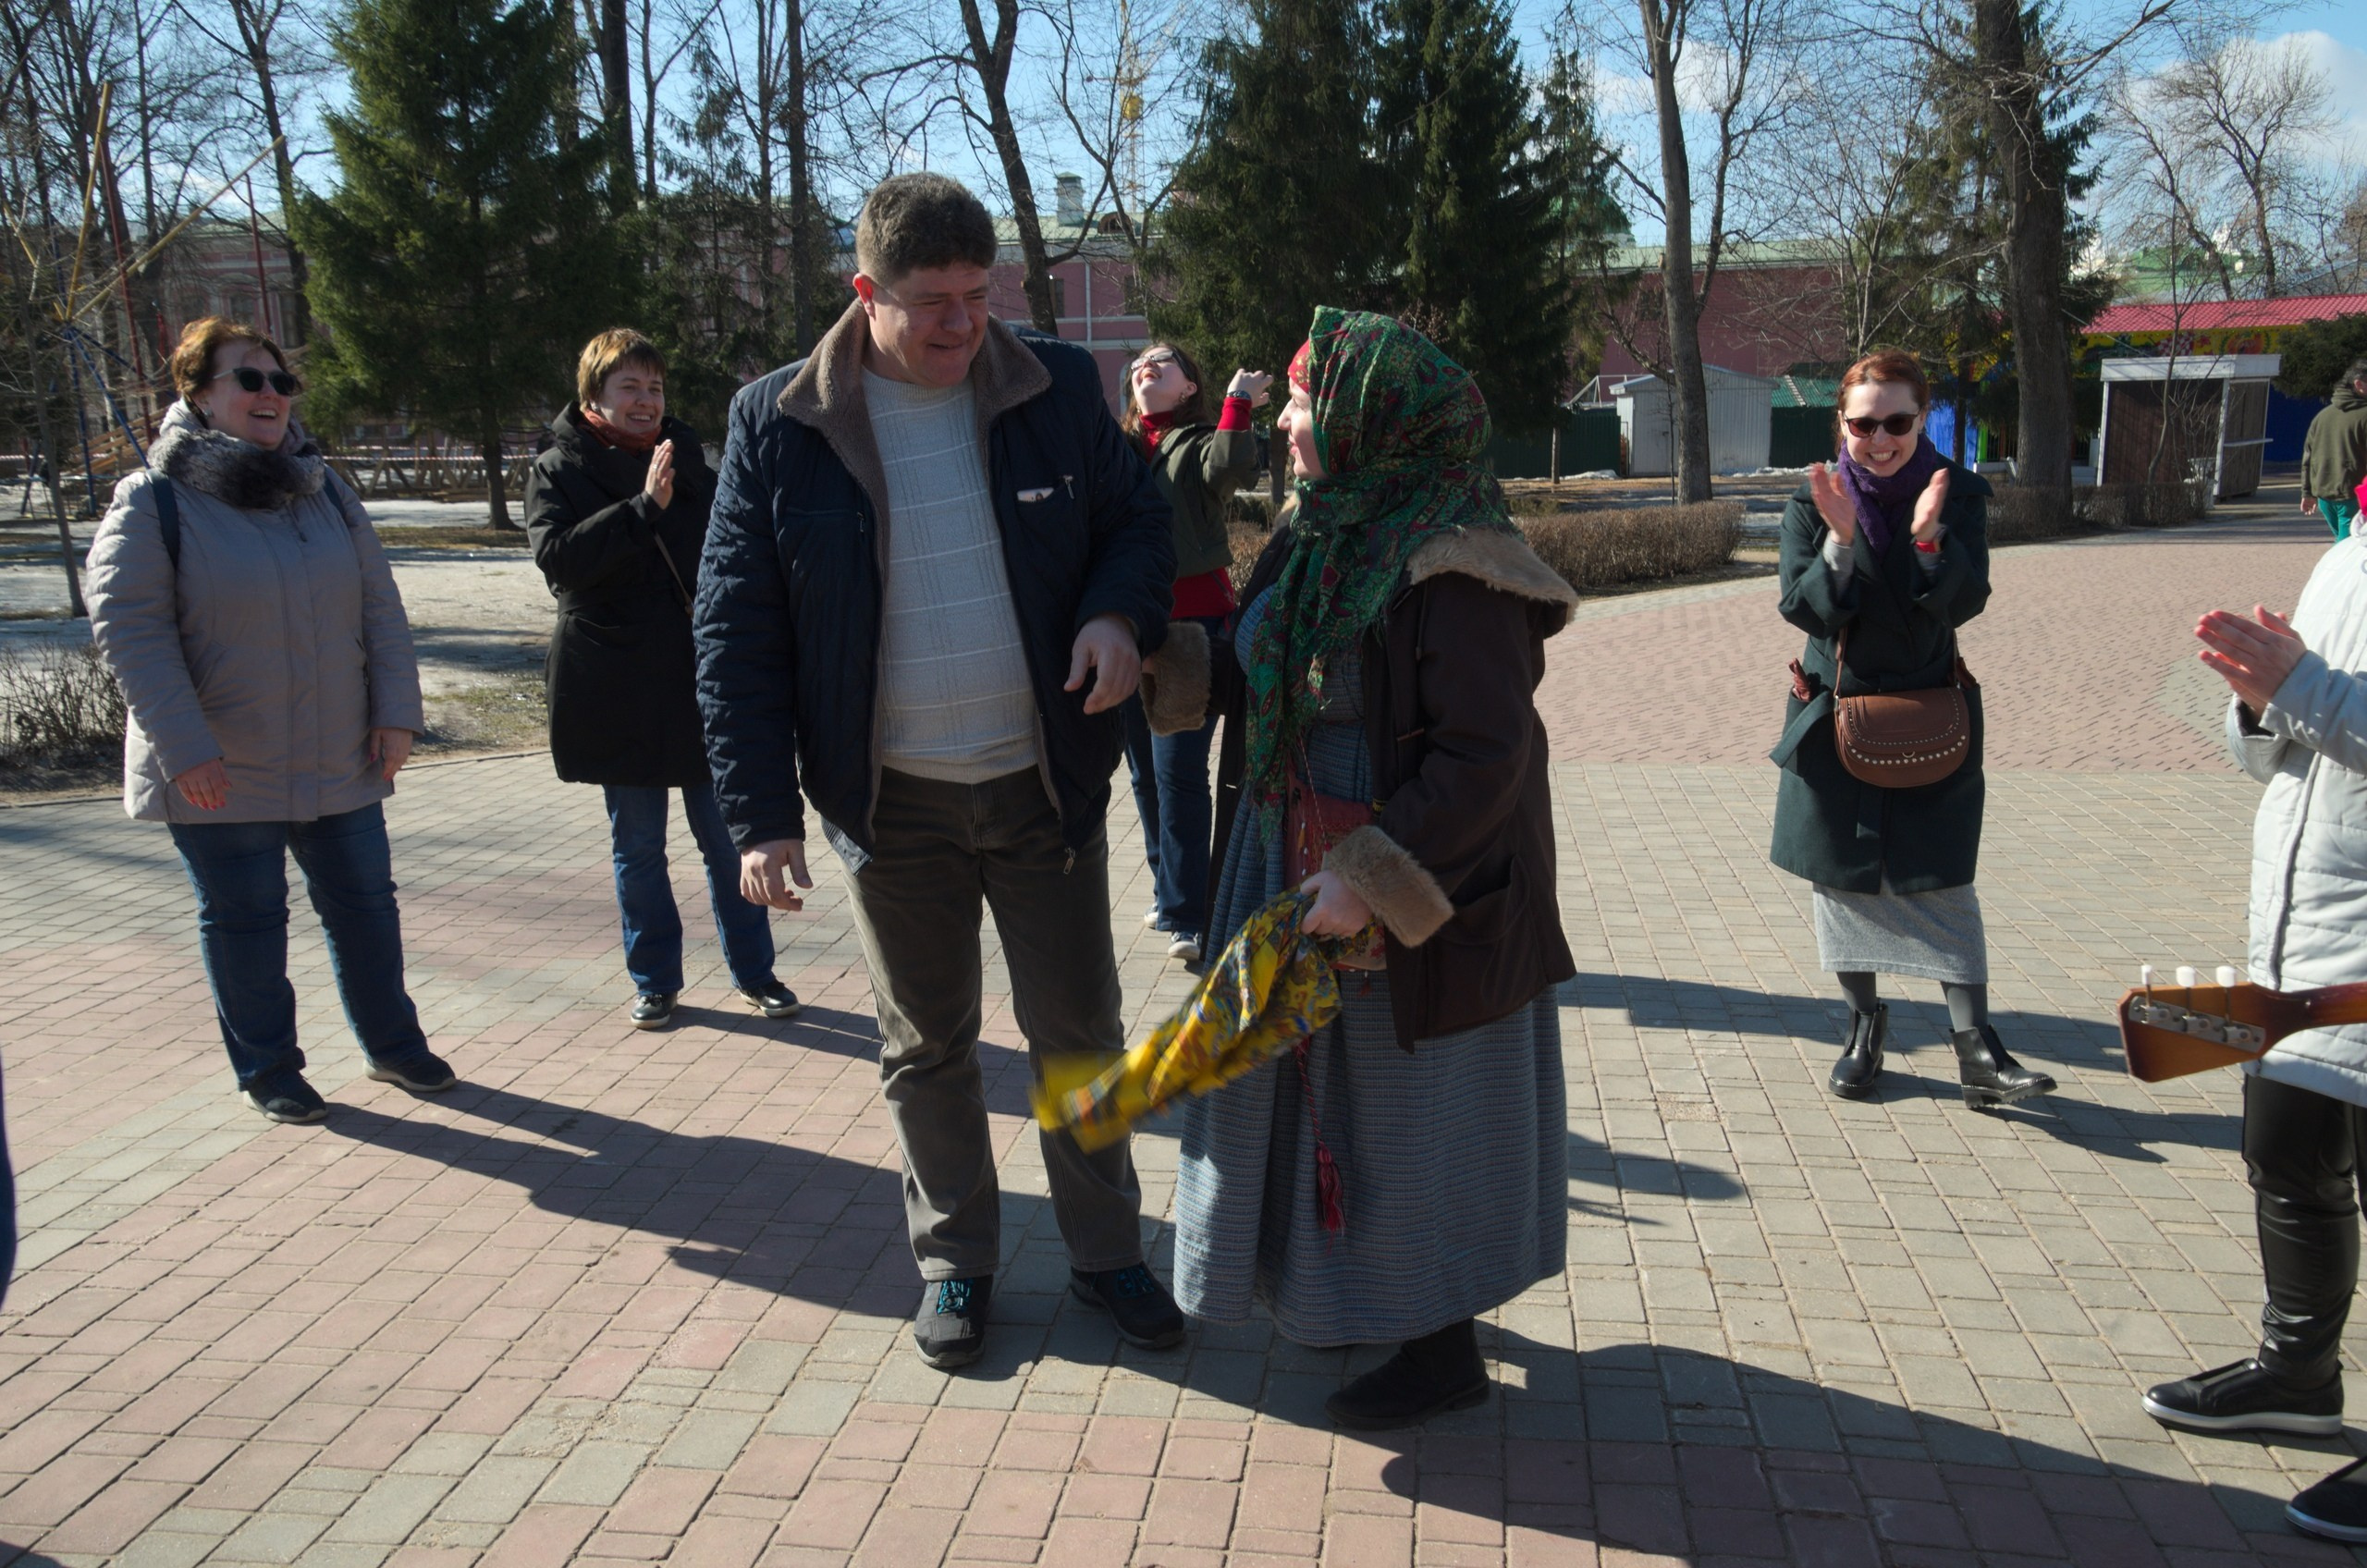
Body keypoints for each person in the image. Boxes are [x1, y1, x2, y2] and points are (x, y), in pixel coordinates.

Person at [694, 173, 1194, 1371]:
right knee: (927, 1047)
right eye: (932, 301)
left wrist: (1123, 620)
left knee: (1079, 1030)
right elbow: (734, 630)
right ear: (865, 292)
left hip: (1042, 785)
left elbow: (1140, 526)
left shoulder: (1057, 387)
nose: (963, 324)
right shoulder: (779, 421)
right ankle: (956, 1265)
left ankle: (1107, 1251)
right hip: (891, 802)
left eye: (980, 296)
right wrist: (760, 818)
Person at [1172, 308, 1578, 1430]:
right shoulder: (1327, 527)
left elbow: (1484, 756)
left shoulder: (1456, 560)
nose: (1289, 421)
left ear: (1372, 417)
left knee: (1401, 1119)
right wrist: (1156, 667)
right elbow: (1265, 664)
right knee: (1312, 1107)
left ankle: (1439, 1346)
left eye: (1307, 400)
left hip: (1404, 878)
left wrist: (1371, 876)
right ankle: (1348, 1296)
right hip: (1290, 843)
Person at [87, 317, 453, 1124]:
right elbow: (130, 631)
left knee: (367, 906)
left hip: (338, 751)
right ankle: (269, 1069)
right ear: (200, 394)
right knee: (248, 920)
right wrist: (185, 750)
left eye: (281, 381)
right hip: (222, 764)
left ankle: (393, 1046)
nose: (270, 395)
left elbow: (379, 611)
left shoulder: (322, 489)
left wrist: (396, 713)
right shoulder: (154, 499)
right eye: (248, 379)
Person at [2140, 562, 2367, 1545]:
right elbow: (2298, 751)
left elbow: (2329, 705)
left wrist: (2305, 691)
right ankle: (2297, 1373)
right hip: (2306, 931)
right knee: (2285, 1157)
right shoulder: (2351, 548)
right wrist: (2259, 706)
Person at [1767, 349, 2053, 1109]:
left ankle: (1976, 1049)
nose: (1881, 438)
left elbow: (1964, 602)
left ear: (1922, 418)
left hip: (1931, 710)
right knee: (1844, 878)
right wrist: (1841, 539)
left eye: (1898, 421)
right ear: (1843, 423)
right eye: (1864, 423)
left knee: (1943, 877)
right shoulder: (1812, 498)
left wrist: (1927, 540)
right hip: (1838, 710)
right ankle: (1864, 1027)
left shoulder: (1957, 494)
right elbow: (1804, 607)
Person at [525, 329, 800, 1030]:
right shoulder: (559, 468)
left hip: (695, 682)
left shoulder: (692, 463)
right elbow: (559, 560)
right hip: (615, 687)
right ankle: (654, 980)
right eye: (630, 388)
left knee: (727, 841)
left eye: (654, 388)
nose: (647, 402)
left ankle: (756, 973)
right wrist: (642, 508)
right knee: (639, 847)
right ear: (594, 397)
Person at [1117, 341, 1269, 962]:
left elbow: (1233, 469)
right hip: (1127, 622)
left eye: (1162, 361)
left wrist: (1237, 403)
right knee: (1142, 771)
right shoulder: (1120, 447)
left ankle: (1191, 913)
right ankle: (1167, 885)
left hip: (1191, 624)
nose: (1143, 367)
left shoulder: (1200, 439)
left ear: (1188, 387)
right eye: (1136, 365)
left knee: (1177, 768)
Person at [2300, 361, 2367, 542]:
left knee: (2345, 543)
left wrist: (2308, 493)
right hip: (2355, 495)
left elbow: (2308, 457)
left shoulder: (2322, 416)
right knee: (2348, 548)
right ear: (2359, 385)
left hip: (2324, 494)